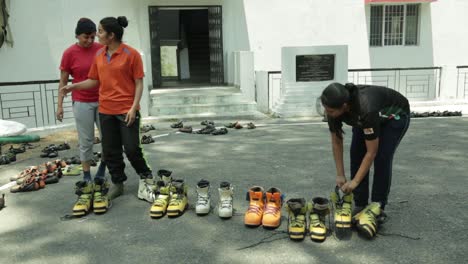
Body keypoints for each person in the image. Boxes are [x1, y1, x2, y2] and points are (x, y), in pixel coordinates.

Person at [61, 16, 155, 210]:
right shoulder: (99, 56)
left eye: (101, 32)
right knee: (111, 151)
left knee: (131, 148)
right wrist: (73, 87)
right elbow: (94, 81)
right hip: (106, 110)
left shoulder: (131, 54)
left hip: (126, 111)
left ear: (111, 35)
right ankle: (118, 183)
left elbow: (139, 82)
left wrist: (133, 107)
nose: (98, 35)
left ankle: (146, 178)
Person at [321, 82, 410, 238]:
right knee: (356, 152)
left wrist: (354, 182)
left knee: (382, 157)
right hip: (366, 118)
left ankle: (377, 207)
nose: (326, 113)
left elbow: (371, 152)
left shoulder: (366, 109)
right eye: (326, 109)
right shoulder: (333, 108)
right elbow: (337, 141)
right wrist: (340, 174)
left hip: (394, 116)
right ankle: (361, 204)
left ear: (344, 106)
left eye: (330, 111)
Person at [57, 18, 107, 217]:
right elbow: (62, 82)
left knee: (107, 139)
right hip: (82, 102)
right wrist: (59, 105)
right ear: (78, 35)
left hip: (104, 99)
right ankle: (87, 176)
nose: (90, 40)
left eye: (93, 36)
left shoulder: (100, 49)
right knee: (85, 140)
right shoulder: (69, 53)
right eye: (86, 37)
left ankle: (102, 171)